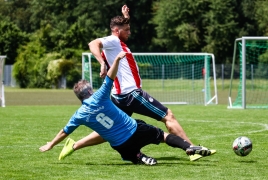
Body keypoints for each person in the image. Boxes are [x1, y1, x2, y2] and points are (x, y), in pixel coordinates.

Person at [57, 5, 216, 162]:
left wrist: (126, 17)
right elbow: (93, 43)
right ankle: (192, 149)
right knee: (168, 115)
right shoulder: (113, 40)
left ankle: (74, 145)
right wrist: (102, 63)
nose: (130, 32)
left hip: (120, 95)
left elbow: (119, 29)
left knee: (113, 128)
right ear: (118, 32)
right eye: (127, 30)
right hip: (130, 94)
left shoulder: (116, 42)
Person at [39, 51, 215, 165]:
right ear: (91, 90)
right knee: (162, 135)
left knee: (130, 153)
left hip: (120, 145)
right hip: (134, 129)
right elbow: (110, 76)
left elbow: (65, 131)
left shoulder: (79, 114)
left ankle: (139, 157)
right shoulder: (101, 95)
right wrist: (115, 60)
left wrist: (51, 144)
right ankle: (189, 147)